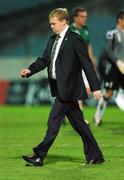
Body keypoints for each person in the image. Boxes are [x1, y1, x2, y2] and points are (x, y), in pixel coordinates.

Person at [21, 8, 104, 166]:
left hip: (69, 89)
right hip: (59, 88)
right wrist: (30, 69)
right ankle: (96, 156)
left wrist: (95, 87)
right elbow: (44, 59)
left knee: (53, 121)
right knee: (80, 125)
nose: (51, 27)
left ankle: (39, 155)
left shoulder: (75, 39)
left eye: (53, 24)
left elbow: (87, 63)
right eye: (50, 24)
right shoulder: (53, 40)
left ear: (64, 22)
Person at [94, 10, 124, 126]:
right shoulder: (112, 33)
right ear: (120, 20)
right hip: (113, 67)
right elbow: (108, 50)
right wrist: (118, 62)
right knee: (109, 93)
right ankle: (97, 117)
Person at [70, 7, 95, 110]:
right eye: (82, 16)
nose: (85, 19)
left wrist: (92, 62)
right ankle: (79, 119)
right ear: (75, 18)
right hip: (73, 64)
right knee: (78, 91)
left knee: (85, 90)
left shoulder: (86, 29)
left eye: (86, 16)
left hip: (84, 64)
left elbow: (88, 46)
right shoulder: (69, 30)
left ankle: (68, 112)